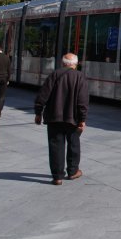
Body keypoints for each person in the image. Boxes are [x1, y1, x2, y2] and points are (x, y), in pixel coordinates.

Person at [34, 53, 88, 186]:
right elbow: (82, 101)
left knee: (55, 145)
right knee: (74, 143)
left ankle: (57, 177)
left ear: (63, 63)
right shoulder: (79, 76)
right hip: (73, 118)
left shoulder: (54, 74)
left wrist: (38, 112)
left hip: (54, 117)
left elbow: (42, 96)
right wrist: (82, 119)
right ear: (75, 64)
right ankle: (73, 171)